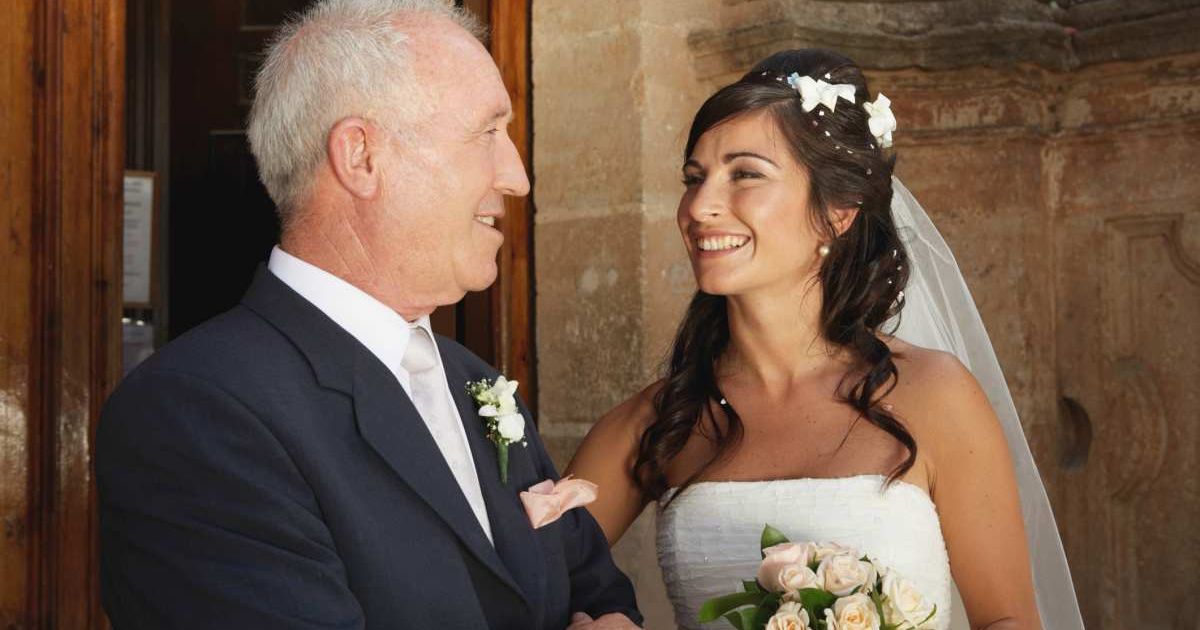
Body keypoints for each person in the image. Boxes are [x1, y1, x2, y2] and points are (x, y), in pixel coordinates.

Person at [97, 1, 640, 628]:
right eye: (487, 133)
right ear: (360, 157)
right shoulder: (196, 413)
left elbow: (601, 596)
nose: (517, 177)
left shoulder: (479, 385)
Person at [567, 49, 1083, 630]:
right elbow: (519, 588)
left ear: (837, 212)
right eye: (694, 178)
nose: (699, 207)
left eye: (745, 174)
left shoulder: (936, 396)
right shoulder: (657, 421)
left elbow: (1009, 621)